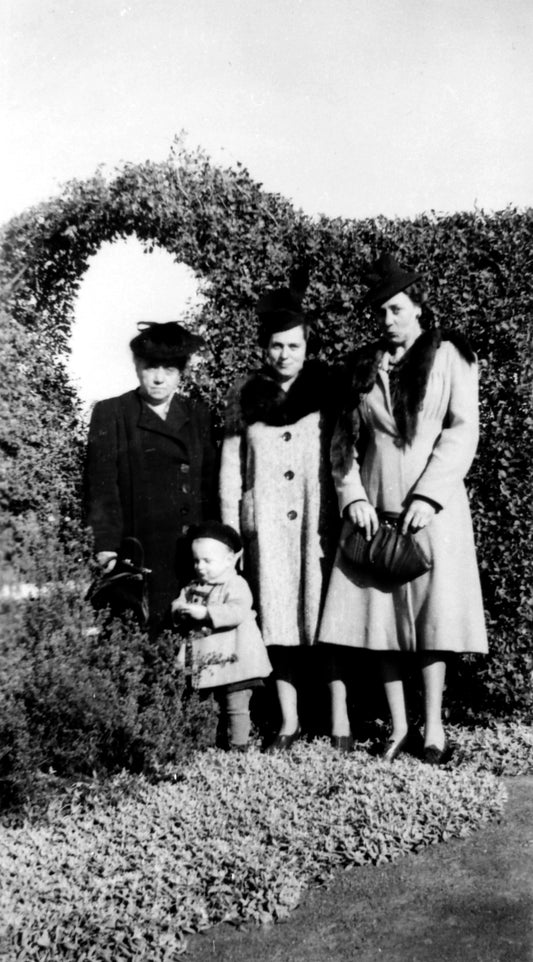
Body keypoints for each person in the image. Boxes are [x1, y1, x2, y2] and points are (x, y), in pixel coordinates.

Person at [319, 253, 488, 763]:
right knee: (382, 618)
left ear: (417, 307)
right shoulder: (362, 366)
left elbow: (463, 430)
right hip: (376, 507)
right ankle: (397, 729)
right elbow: (341, 444)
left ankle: (433, 729)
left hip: (433, 509)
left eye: (396, 309)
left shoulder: (451, 357)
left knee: (433, 620)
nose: (387, 320)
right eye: (380, 313)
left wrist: (428, 496)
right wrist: (353, 498)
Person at [219, 278, 338, 750]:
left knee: (327, 622)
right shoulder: (244, 396)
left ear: (307, 347)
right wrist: (233, 538)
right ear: (263, 348)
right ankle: (289, 721)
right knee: (279, 626)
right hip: (264, 529)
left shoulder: (327, 390)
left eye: (293, 345)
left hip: (317, 526)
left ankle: (338, 720)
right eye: (275, 345)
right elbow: (231, 472)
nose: (284, 354)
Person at [85, 321, 217, 632]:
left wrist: (216, 540)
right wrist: (105, 545)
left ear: (181, 371)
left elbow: (210, 484)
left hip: (192, 551)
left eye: (169, 369)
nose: (158, 377)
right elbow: (101, 487)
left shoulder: (198, 414)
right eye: (150, 367)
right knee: (138, 630)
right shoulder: (113, 413)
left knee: (191, 634)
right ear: (136, 366)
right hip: (138, 550)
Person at [171, 521, 272, 751]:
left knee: (236, 705)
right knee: (207, 706)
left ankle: (239, 745)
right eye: (196, 560)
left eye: (207, 561)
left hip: (237, 659)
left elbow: (237, 611)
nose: (200, 567)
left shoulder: (235, 584)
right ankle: (206, 745)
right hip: (209, 662)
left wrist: (206, 613)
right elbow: (178, 602)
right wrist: (179, 610)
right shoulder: (193, 586)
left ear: (229, 560)